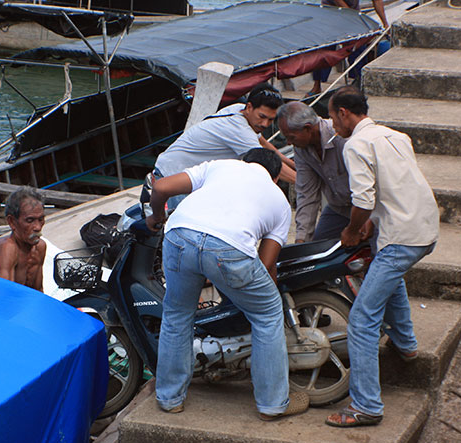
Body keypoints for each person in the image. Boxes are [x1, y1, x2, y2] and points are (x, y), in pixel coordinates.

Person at [146, 148, 309, 421]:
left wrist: (156, 217)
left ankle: (170, 398)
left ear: (243, 161)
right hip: (229, 250)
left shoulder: (219, 166)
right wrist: (262, 297)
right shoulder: (280, 202)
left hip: (178, 235)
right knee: (267, 315)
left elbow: (161, 186)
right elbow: (266, 263)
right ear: (276, 176)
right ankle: (272, 403)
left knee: (176, 314)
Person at [323, 87, 439, 427]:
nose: (333, 124)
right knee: (388, 279)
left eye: (332, 117)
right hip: (423, 227)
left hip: (402, 237)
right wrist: (373, 224)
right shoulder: (395, 136)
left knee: (361, 320)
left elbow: (363, 198)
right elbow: (398, 186)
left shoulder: (356, 144)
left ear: (344, 113)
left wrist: (351, 230)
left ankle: (366, 406)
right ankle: (406, 345)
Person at [152, 82, 296, 209]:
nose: (265, 124)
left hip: (184, 173)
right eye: (262, 117)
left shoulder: (239, 109)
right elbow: (266, 160)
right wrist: (302, 181)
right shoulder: (239, 129)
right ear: (250, 107)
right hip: (172, 174)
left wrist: (293, 164)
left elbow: (262, 142)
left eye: (271, 120)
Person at [277, 101, 352, 243]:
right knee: (314, 249)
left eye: (291, 137)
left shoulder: (342, 138)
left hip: (367, 208)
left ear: (307, 128)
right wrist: (301, 240)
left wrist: (356, 228)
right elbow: (307, 194)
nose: (288, 143)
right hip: (339, 208)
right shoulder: (301, 149)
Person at [307, 0, 389, 97]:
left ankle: (359, 84)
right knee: (323, 52)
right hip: (330, 14)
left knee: (358, 52)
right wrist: (354, 17)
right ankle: (317, 86)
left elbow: (377, 1)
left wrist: (385, 23)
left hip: (353, 13)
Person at [0, 187, 47, 292]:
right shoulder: (7, 248)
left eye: (41, 219)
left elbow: (38, 290)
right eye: (30, 220)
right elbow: (5, 295)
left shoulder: (40, 247)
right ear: (12, 222)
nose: (38, 227)